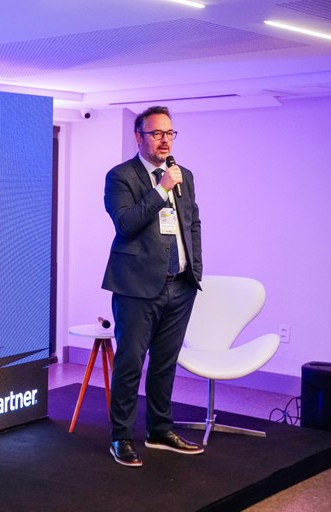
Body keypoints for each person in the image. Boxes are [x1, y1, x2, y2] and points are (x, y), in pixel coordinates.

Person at [102, 105, 203, 467]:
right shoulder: (121, 176)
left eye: (170, 133)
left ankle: (159, 430)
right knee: (130, 363)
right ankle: (121, 437)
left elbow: (192, 222)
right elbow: (126, 224)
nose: (165, 141)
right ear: (139, 137)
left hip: (180, 286)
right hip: (136, 288)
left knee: (165, 363)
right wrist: (161, 189)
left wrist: (196, 268)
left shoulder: (184, 175)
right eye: (157, 133)